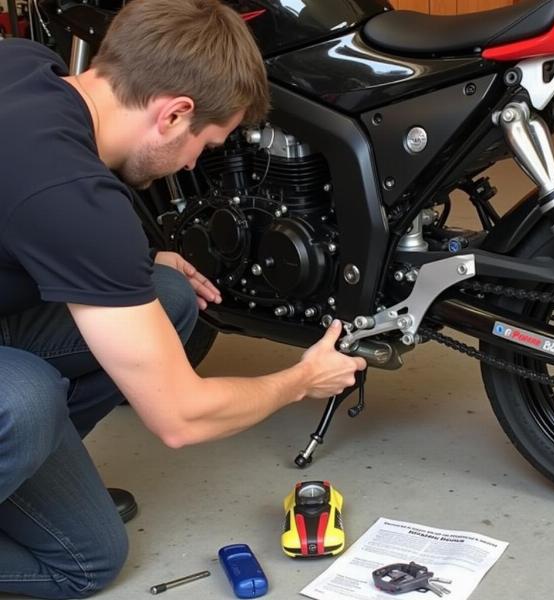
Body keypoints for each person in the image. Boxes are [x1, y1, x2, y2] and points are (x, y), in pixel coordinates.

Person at [0, 0, 366, 598]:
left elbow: (32, 217)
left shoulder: (25, 65)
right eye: (207, 143)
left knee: (163, 293)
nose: (197, 163)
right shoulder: (73, 198)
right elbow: (180, 417)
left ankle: (14, 472)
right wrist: (300, 380)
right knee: (26, 407)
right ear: (174, 115)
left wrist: (130, 266)